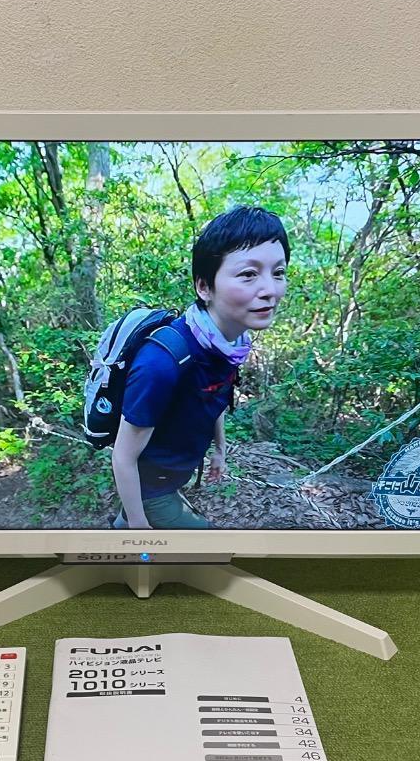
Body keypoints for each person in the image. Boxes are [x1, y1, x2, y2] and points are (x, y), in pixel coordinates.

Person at [112, 205, 289, 529]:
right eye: (248, 274)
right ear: (204, 287)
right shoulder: (162, 363)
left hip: (173, 474)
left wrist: (220, 450)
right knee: (208, 545)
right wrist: (139, 531)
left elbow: (213, 395)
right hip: (151, 488)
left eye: (278, 273)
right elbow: (123, 457)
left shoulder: (228, 345)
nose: (269, 290)